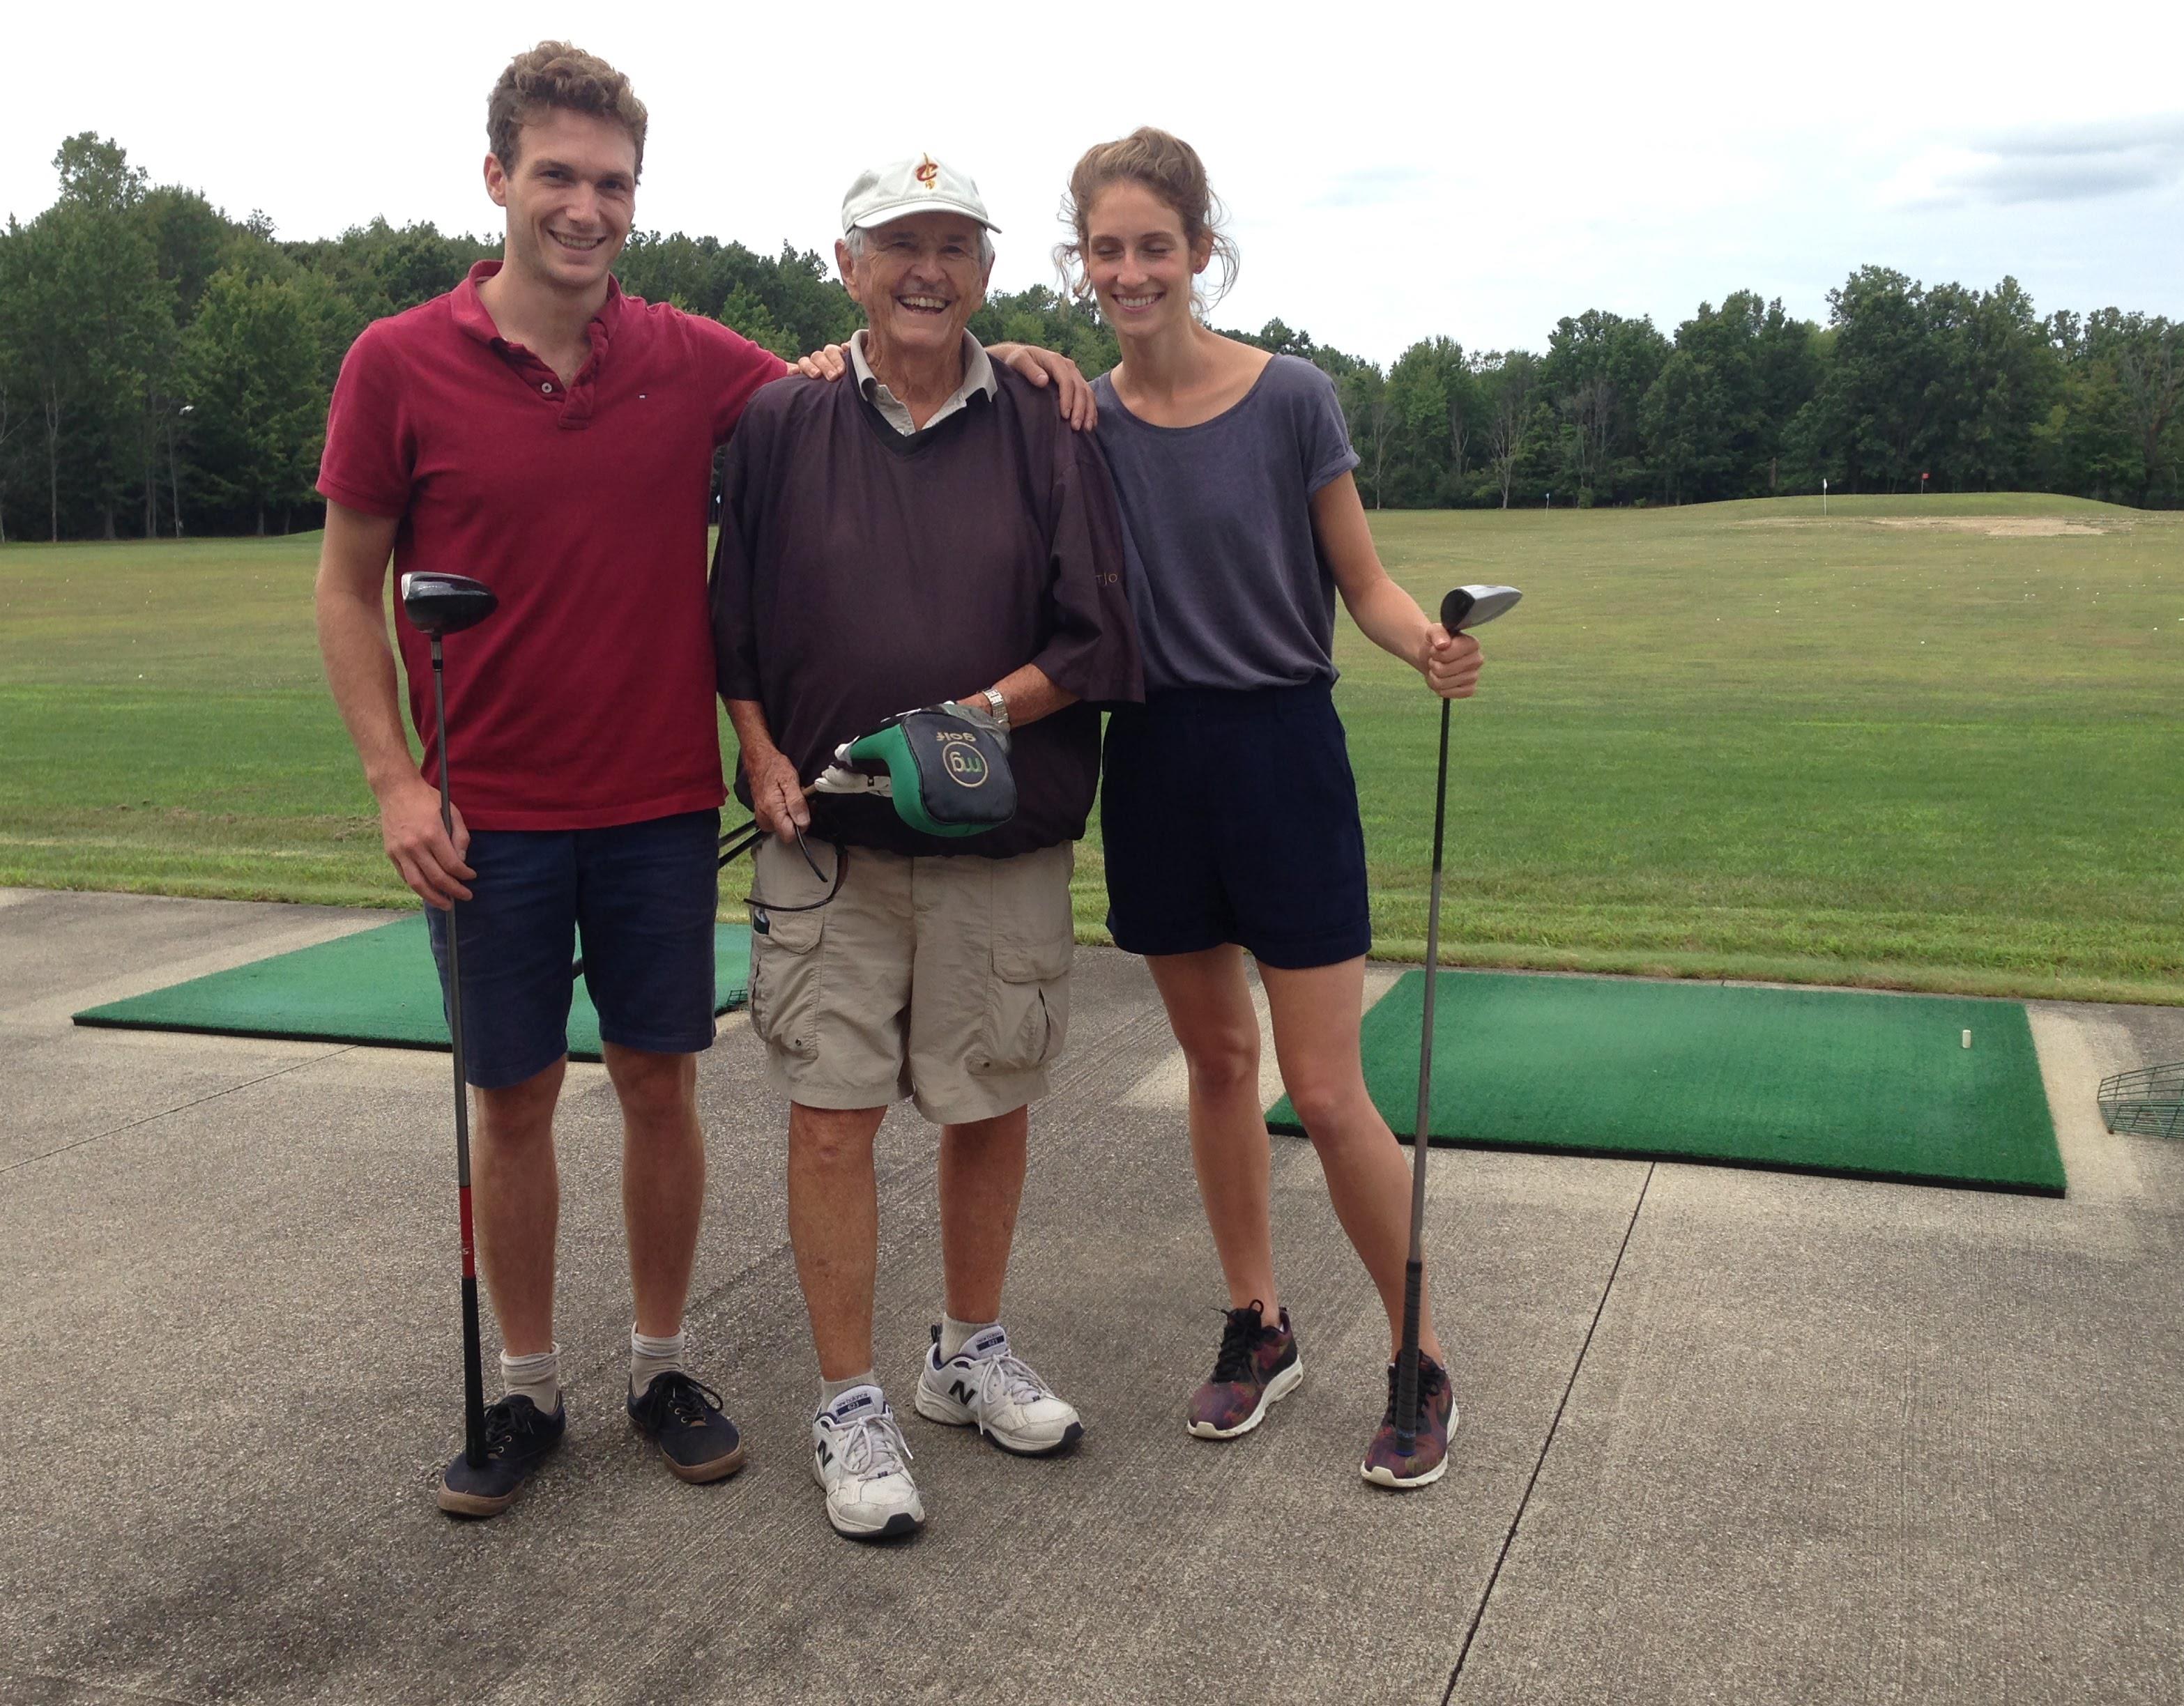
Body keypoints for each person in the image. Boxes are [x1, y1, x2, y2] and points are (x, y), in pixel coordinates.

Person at [313, 45, 1092, 1520]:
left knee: (662, 1085)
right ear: (499, 180)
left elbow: (859, 374)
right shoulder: (396, 360)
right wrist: (393, 782)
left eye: (612, 182)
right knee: (517, 1095)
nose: (586, 206)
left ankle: (661, 1363)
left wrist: (1043, 363)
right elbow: (349, 589)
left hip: (663, 800)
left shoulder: (695, 361)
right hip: (485, 813)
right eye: (558, 175)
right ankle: (531, 1385)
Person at [710, 153, 1142, 1540]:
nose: (927, 269)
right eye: (899, 243)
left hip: (998, 839)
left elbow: (1097, 638)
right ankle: (849, 1401)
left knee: (988, 1104)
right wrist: (766, 755)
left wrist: (963, 720)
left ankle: (964, 1354)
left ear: (989, 272)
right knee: (831, 1118)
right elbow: (733, 631)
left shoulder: (1045, 417)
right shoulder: (781, 420)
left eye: (955, 245)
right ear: (847, 266)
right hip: (826, 845)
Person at [1060, 128, 1491, 1489]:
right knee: (1219, 1069)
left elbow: (1358, 577)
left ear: (1200, 250)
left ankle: (1418, 1358)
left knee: (1324, 1083)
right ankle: (1259, 1322)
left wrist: (1423, 639)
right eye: (1107, 249)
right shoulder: (1081, 415)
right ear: (1084, 263)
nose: (1132, 271)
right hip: (1158, 762)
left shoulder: (1292, 395)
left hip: (1284, 755)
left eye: (1154, 245)